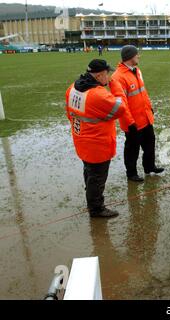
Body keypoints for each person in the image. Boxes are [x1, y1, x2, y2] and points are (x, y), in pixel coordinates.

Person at [65, 59, 127, 218]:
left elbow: (70, 115)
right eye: (108, 74)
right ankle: (96, 208)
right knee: (97, 178)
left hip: (82, 140)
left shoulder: (72, 88)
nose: (109, 76)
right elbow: (121, 107)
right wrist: (115, 85)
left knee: (89, 173)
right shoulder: (98, 94)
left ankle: (91, 197)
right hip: (97, 145)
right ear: (99, 75)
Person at [112, 45, 164, 182]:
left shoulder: (137, 70)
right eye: (136, 54)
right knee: (132, 149)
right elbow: (121, 104)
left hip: (145, 117)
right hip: (133, 122)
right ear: (130, 57)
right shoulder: (117, 77)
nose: (138, 56)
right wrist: (130, 122)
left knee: (150, 144)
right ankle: (131, 173)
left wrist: (149, 108)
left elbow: (143, 92)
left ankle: (149, 167)